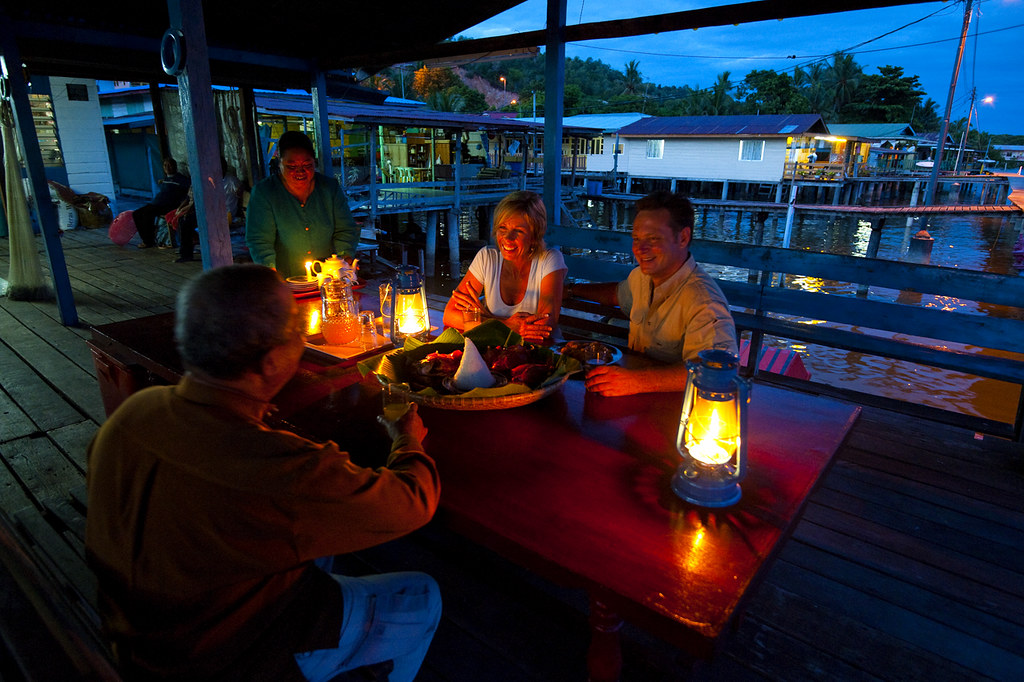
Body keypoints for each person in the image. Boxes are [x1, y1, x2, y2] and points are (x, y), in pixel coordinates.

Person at [85, 264, 442, 682]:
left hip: (136, 634)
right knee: (422, 596)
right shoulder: (276, 467)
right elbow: (412, 503)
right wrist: (407, 438)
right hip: (223, 656)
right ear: (272, 361)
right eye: (296, 326)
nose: (303, 333)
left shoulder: (133, 414)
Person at [564, 191, 737, 396]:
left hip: (673, 409)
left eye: (653, 239)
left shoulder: (704, 301)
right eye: (636, 239)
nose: (640, 249)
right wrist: (570, 289)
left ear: (683, 238)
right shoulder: (641, 278)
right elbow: (616, 294)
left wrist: (638, 382)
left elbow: (718, 370)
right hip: (631, 398)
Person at [443, 190, 566, 344]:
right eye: (503, 228)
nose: (507, 238)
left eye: (518, 231)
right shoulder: (487, 257)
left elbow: (544, 326)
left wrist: (485, 317)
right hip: (498, 349)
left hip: (540, 351)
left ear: (534, 235)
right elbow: (449, 314)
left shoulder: (550, 260)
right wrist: (506, 324)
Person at [246, 131, 358, 279]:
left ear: (314, 162)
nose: (300, 171)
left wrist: (345, 257)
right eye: (291, 166)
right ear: (279, 163)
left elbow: (345, 229)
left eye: (307, 165)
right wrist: (271, 272)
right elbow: (259, 240)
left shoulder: (329, 188)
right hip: (285, 280)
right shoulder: (265, 192)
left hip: (328, 278)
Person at [133, 157, 190, 248]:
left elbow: (188, 191)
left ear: (175, 166)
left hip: (167, 206)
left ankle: (148, 241)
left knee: (147, 215)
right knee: (136, 214)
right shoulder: (166, 179)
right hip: (156, 204)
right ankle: (147, 239)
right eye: (165, 165)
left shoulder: (181, 179)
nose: (167, 167)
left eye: (169, 165)